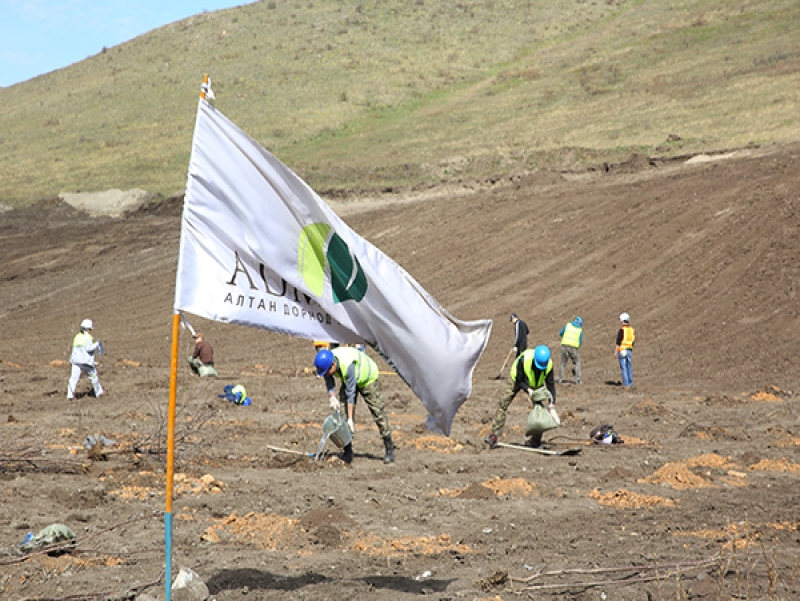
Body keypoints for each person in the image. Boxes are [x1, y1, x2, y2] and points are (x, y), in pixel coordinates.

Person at [314, 347, 395, 464]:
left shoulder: (347, 365)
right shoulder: (329, 362)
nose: (326, 374)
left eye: (327, 371)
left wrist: (351, 419)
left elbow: (350, 393)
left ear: (333, 365)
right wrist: (332, 396)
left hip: (367, 379)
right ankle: (348, 451)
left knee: (377, 411)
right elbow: (329, 381)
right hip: (349, 380)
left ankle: (389, 448)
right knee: (341, 414)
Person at [485, 345, 559, 449]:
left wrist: (552, 405)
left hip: (535, 383)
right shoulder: (525, 360)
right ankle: (494, 435)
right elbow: (520, 380)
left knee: (540, 410)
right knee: (503, 403)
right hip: (517, 379)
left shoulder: (548, 365)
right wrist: (529, 390)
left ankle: (535, 440)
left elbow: (550, 385)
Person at [67, 319, 104, 400]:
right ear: (88, 328)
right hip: (86, 362)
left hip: (76, 361)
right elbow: (89, 348)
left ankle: (70, 395)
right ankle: (99, 393)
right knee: (93, 377)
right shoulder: (88, 337)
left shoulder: (77, 336)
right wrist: (97, 344)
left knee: (73, 378)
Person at [557, 316, 584, 384]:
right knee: (576, 363)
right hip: (574, 348)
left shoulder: (568, 325)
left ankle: (559, 379)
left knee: (562, 363)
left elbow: (560, 333)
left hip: (565, 345)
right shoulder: (580, 330)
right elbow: (580, 341)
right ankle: (577, 380)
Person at [615, 313, 636, 388]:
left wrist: (616, 352)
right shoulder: (632, 330)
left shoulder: (622, 330)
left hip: (622, 350)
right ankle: (630, 383)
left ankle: (626, 384)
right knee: (629, 367)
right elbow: (633, 341)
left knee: (624, 368)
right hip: (629, 350)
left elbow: (618, 342)